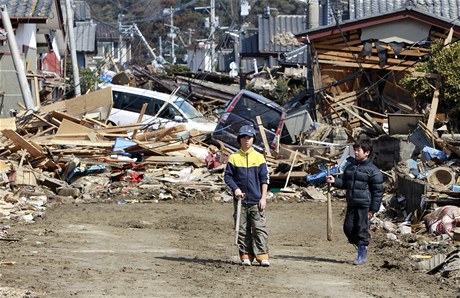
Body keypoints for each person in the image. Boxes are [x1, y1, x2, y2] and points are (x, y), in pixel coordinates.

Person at [325, 137, 383, 265]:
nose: (356, 153)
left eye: (359, 150)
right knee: (348, 228)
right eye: (355, 150)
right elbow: (346, 183)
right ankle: (361, 246)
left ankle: (362, 253)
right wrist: (335, 181)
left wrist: (373, 209)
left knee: (361, 229)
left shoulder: (373, 171)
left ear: (367, 152)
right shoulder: (350, 167)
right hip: (351, 203)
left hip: (364, 205)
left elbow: (378, 192)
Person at [224, 125, 270, 267]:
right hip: (241, 201)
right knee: (242, 229)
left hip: (256, 201)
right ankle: (246, 255)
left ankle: (262, 256)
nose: (246, 141)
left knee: (259, 228)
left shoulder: (259, 158)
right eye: (243, 138)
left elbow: (264, 179)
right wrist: (236, 189)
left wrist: (263, 198)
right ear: (239, 139)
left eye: (249, 138)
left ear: (253, 139)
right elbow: (228, 177)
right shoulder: (234, 158)